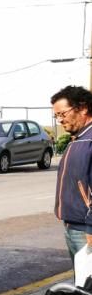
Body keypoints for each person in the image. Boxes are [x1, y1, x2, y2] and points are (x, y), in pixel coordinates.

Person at [50, 86, 92, 260]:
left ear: (82, 108)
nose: (60, 120)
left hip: (86, 229)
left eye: (62, 114)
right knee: (81, 283)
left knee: (87, 284)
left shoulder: (89, 139)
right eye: (56, 116)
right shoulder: (78, 138)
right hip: (72, 226)